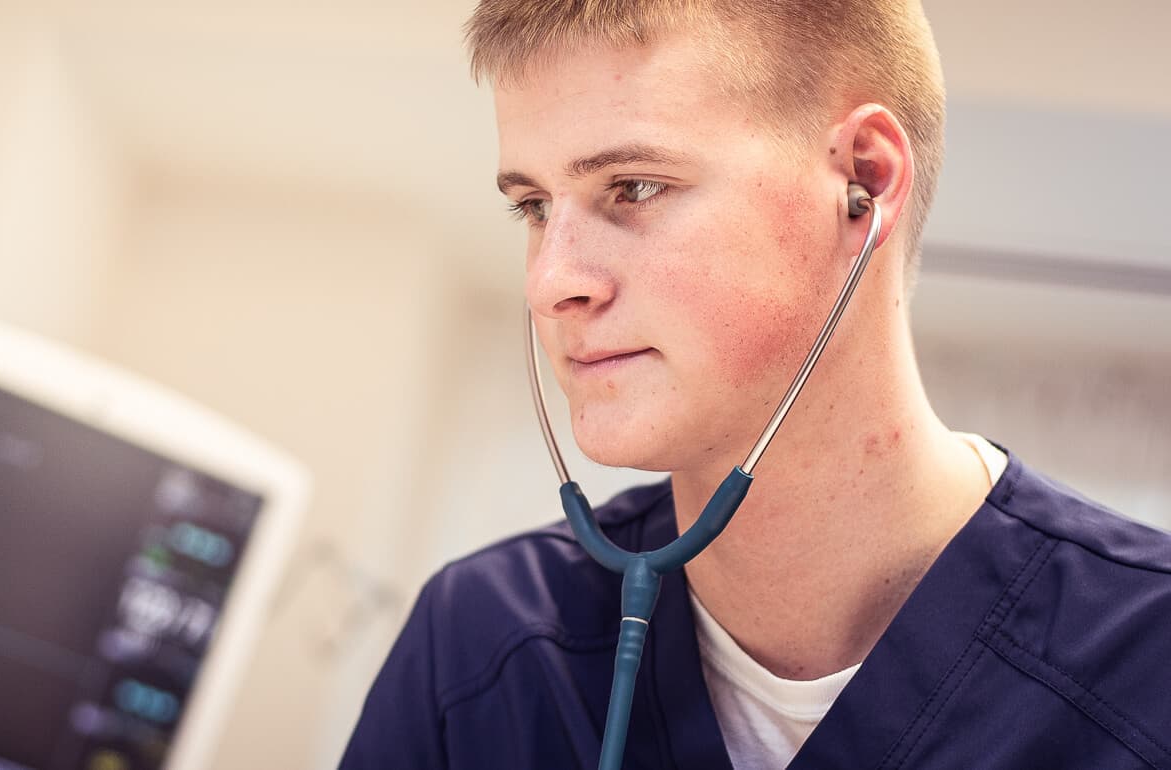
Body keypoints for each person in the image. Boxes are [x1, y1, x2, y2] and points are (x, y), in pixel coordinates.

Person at [340, 1, 1171, 768]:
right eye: (532, 206)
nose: (551, 281)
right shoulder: (481, 647)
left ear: (865, 183)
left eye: (632, 187)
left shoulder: (1148, 658)